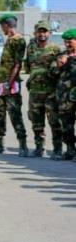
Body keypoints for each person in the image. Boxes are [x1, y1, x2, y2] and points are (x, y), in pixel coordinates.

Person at [0, 13, 28, 156]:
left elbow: (18, 64)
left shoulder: (18, 40)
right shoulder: (9, 40)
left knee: (14, 113)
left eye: (2, 26)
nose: (2, 29)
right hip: (0, 83)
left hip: (10, 84)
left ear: (7, 25)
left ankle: (23, 145)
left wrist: (9, 84)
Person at [24, 21, 63, 159]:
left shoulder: (56, 49)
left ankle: (57, 150)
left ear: (50, 33)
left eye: (45, 31)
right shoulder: (30, 48)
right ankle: (39, 148)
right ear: (35, 33)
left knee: (54, 121)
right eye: (39, 31)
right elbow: (28, 67)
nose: (42, 34)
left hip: (51, 92)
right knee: (36, 122)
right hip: (35, 92)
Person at [52, 29, 76, 161]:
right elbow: (52, 74)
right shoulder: (61, 56)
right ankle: (70, 150)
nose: (67, 44)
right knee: (66, 125)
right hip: (65, 97)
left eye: (70, 42)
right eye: (65, 42)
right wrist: (60, 65)